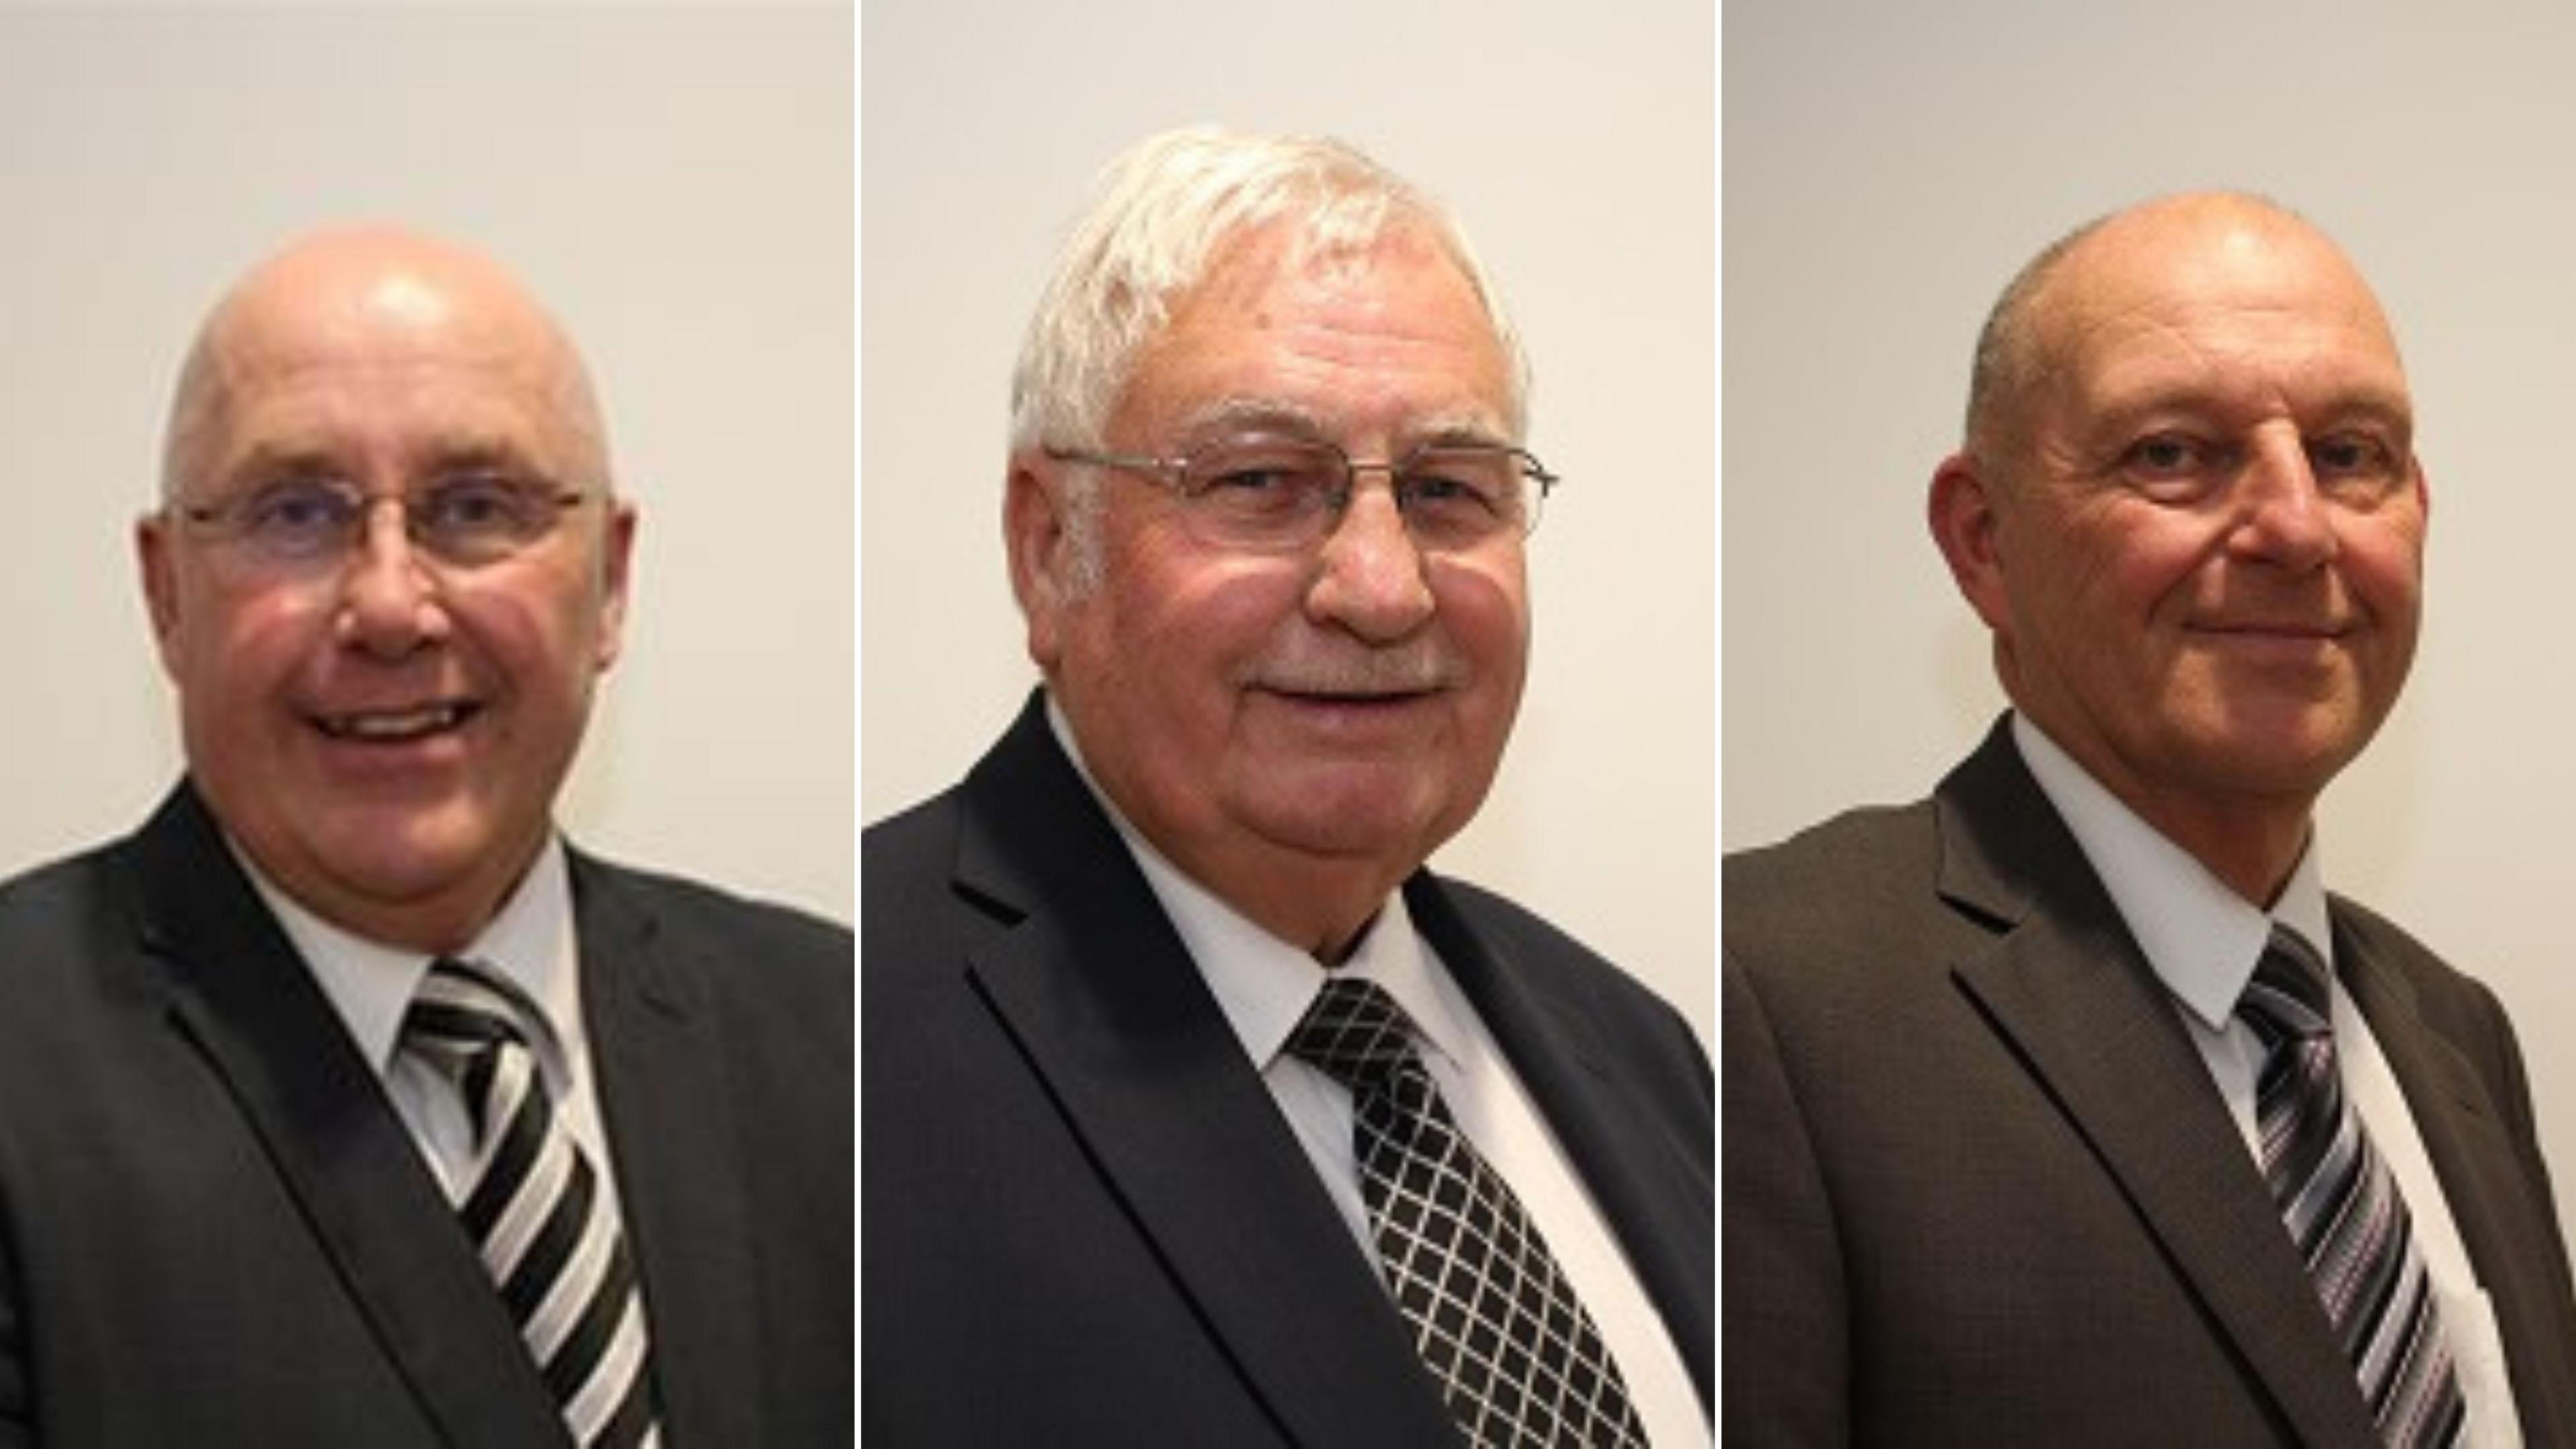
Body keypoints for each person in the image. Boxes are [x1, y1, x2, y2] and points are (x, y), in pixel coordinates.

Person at [862, 127, 1713, 1445]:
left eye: (1445, 489)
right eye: (1261, 482)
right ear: (1046, 549)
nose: (1382, 586)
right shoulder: (841, 1056)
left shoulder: (1643, 1054)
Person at [1725, 191, 2576, 1442]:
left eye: (2351, 455)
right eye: (2174, 453)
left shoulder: (2454, 1034)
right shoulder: (1769, 998)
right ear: (1982, 542)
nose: (2296, 526)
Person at [0, 227, 850, 1446]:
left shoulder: (847, 1036)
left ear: (609, 583)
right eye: (294, 512)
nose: (391, 605)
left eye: (475, 508)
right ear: (166, 594)